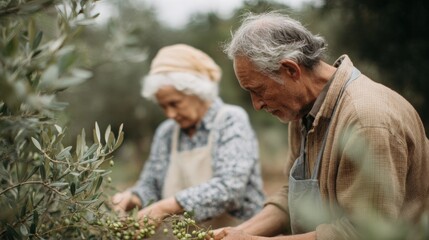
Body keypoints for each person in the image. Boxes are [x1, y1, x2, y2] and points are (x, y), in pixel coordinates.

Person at [214, 12, 429, 240]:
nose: (256, 105)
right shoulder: (301, 111)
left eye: (258, 90)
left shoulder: (366, 121)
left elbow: (364, 233)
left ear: (291, 70)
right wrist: (235, 234)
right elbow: (292, 196)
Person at [111, 44, 265, 228]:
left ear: (198, 92)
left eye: (175, 103)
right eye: (163, 106)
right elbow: (151, 185)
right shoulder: (167, 132)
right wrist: (131, 198)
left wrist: (165, 207)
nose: (170, 114)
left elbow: (230, 188)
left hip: (241, 233)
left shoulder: (230, 120)